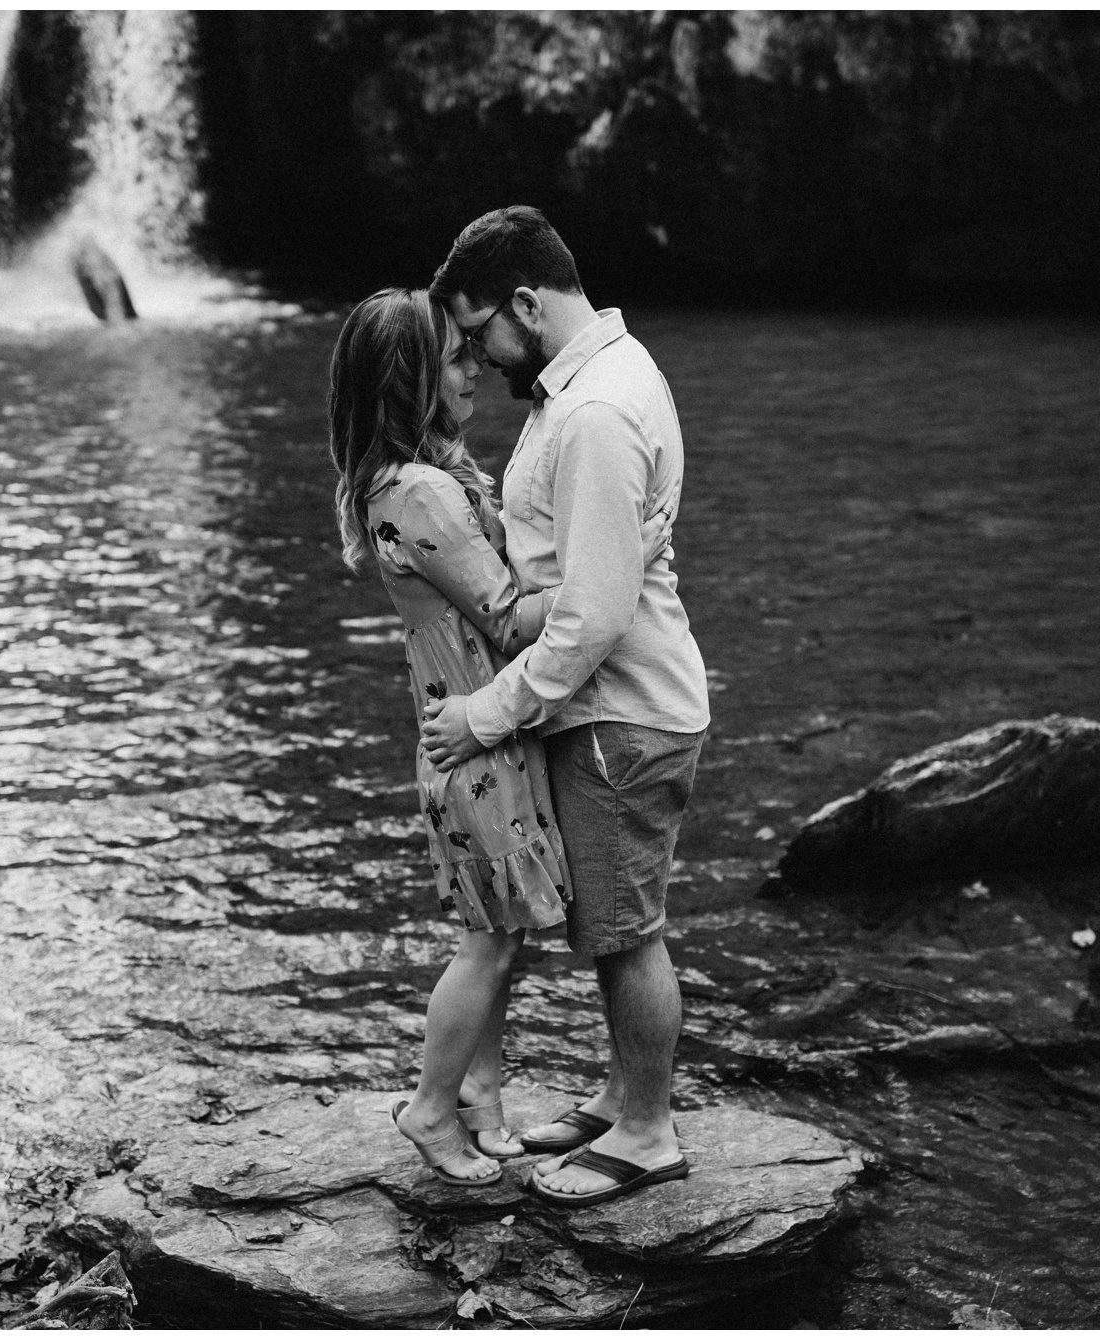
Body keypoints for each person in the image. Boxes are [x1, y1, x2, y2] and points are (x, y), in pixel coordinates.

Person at [420, 206, 711, 1209]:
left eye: (476, 330)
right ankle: (622, 1092)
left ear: (526, 304)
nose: (471, 354)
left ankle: (645, 1133)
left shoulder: (590, 413)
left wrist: (485, 714)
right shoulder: (601, 380)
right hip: (622, 704)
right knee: (611, 917)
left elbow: (589, 618)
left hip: (616, 710)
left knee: (627, 931)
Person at [327, 286, 571, 1187]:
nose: (477, 366)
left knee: (497, 925)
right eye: (457, 358)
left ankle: (482, 1093)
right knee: (493, 940)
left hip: (472, 730)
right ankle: (430, 1109)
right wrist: (615, 568)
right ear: (411, 381)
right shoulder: (422, 492)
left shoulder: (420, 477)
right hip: (475, 739)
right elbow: (509, 618)